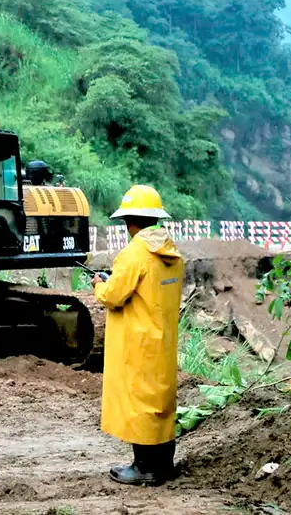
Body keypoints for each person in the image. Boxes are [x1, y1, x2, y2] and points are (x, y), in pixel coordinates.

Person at [91, 184, 184, 486]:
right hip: (163, 342)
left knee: (139, 404)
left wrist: (99, 285)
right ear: (155, 219)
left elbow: (114, 295)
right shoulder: (172, 252)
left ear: (130, 221)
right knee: (160, 402)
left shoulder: (133, 255)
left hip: (137, 344)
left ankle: (143, 468)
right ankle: (164, 464)